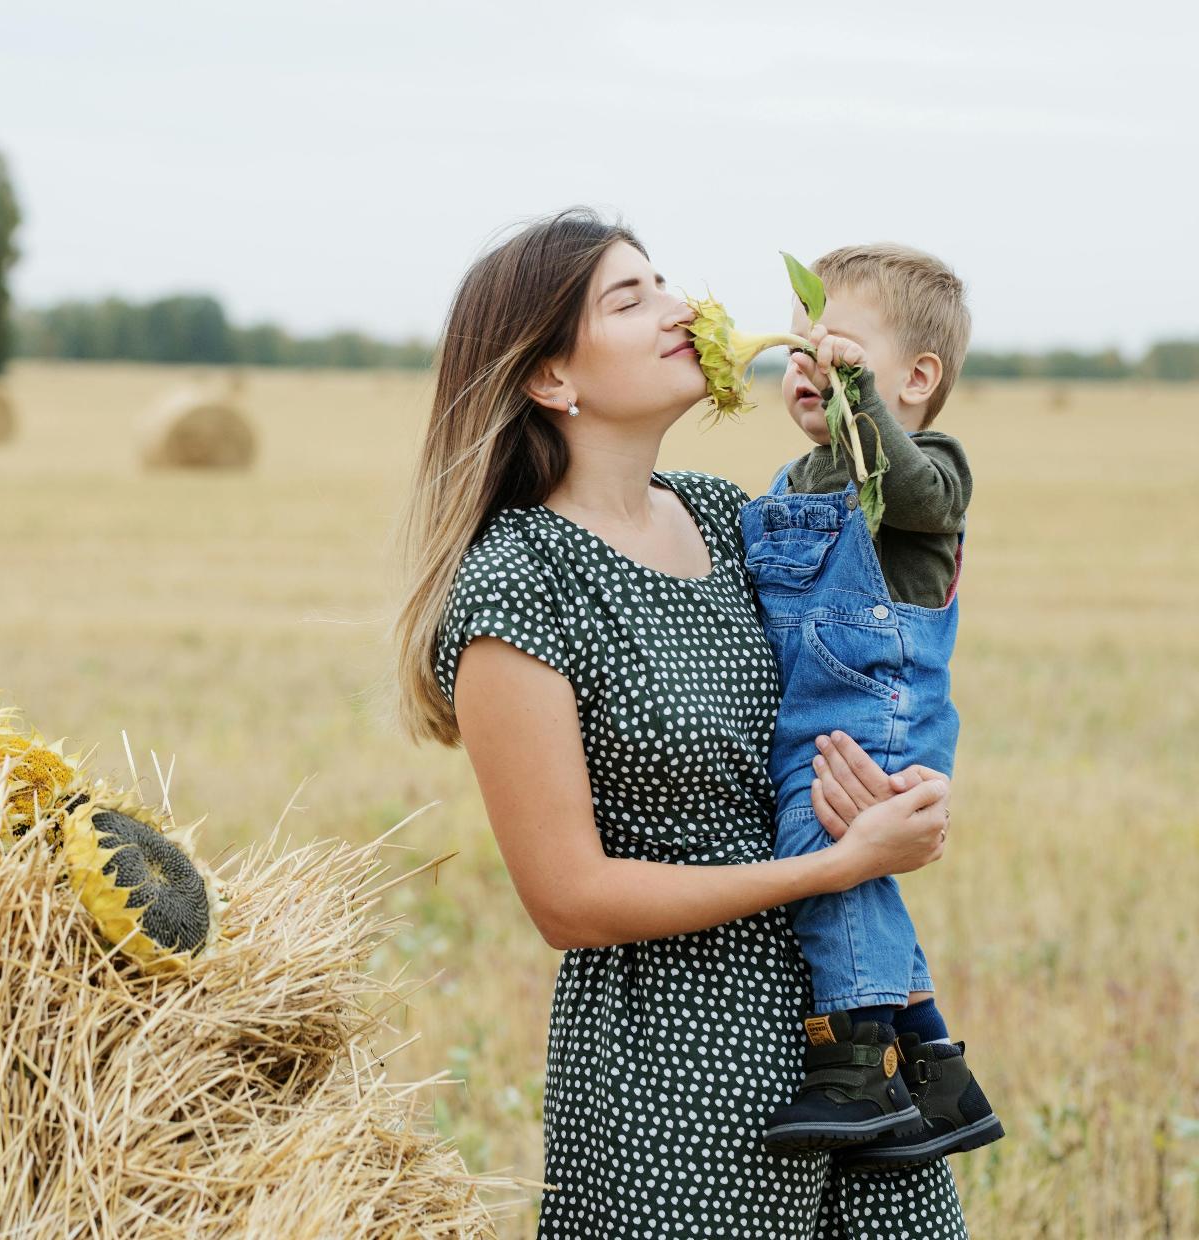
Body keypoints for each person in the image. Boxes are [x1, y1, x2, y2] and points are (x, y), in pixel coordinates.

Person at [396, 208, 968, 1237]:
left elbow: (860, 659)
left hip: (849, 1043)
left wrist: (904, 783)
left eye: (665, 282)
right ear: (552, 379)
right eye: (631, 297)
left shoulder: (720, 513)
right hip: (681, 1075)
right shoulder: (517, 588)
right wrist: (832, 868)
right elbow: (569, 899)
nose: (683, 307)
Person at [740, 245, 1004, 1168]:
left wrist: (862, 402)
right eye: (802, 352)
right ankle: (933, 1061)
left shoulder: (931, 469)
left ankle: (855, 1059)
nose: (810, 367)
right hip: (823, 712)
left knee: (831, 862)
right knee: (861, 875)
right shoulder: (788, 484)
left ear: (918, 377)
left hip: (883, 711)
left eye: (839, 347)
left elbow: (909, 491)